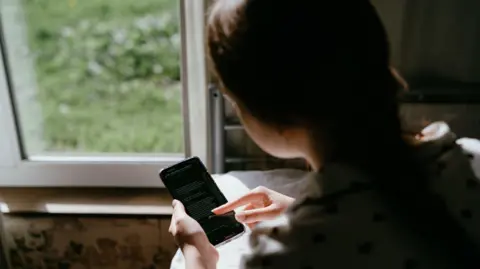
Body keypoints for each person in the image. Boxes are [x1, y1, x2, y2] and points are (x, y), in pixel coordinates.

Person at [168, 0, 480, 268]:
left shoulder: (284, 255)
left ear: (270, 111)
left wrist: (198, 255)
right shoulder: (473, 159)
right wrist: (304, 210)